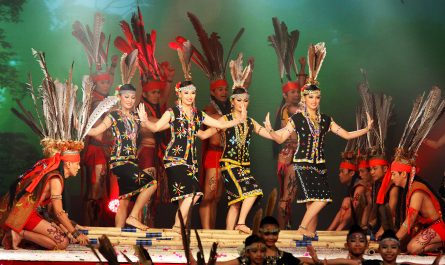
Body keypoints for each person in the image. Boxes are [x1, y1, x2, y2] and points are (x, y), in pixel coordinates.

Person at [265, 43, 373, 237]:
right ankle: (301, 229)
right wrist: (271, 130)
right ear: (304, 99)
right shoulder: (297, 118)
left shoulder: (326, 120)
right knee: (322, 198)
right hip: (303, 164)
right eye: (311, 97)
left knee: (311, 202)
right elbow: (281, 137)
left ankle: (307, 239)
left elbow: (346, 134)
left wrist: (366, 129)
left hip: (319, 165)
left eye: (317, 97)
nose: (314, 101)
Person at [139, 39, 247, 229]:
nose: (190, 96)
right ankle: (177, 227)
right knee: (194, 194)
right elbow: (156, 129)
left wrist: (236, 120)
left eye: (193, 93)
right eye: (186, 93)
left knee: (187, 198)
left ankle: (180, 231)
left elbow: (207, 133)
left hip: (190, 162)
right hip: (175, 159)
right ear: (179, 94)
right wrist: (144, 120)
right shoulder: (173, 112)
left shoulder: (198, 114)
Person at [1, 51, 90, 249]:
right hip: (26, 214)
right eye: (77, 164)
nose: (78, 168)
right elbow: (58, 212)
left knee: (59, 242)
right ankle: (18, 232)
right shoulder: (56, 179)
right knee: (63, 243)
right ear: (69, 163)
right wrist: (75, 233)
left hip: (30, 212)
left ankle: (20, 234)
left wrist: (71, 228)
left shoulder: (54, 174)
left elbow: (52, 213)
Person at [114, 7, 175, 227]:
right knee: (138, 193)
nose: (157, 95)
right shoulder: (141, 108)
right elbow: (149, 127)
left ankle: (140, 224)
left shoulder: (156, 105)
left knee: (145, 194)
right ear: (145, 93)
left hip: (152, 154)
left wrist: (167, 81)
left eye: (159, 92)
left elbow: (163, 99)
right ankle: (135, 225)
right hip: (143, 154)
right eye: (153, 92)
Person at [185, 12, 244, 229]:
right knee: (208, 195)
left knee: (218, 197)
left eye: (225, 88)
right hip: (212, 156)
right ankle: (206, 231)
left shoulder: (228, 107)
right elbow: (216, 122)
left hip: (225, 157)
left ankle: (212, 231)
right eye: (220, 89)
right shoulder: (209, 109)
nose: (224, 91)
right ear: (213, 91)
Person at [377, 87, 445, 254]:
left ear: (403, 173)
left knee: (412, 247)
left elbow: (410, 220)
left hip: (439, 227)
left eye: (394, 173)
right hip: (427, 228)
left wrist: (391, 243)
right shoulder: (410, 188)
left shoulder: (416, 192)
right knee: (408, 247)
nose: (391, 177)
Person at [87, 83, 158, 231]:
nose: (130, 100)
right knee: (152, 184)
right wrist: (81, 127)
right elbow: (96, 131)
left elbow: (154, 127)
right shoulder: (114, 116)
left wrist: (146, 121)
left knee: (124, 200)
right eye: (126, 97)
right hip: (119, 162)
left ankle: (119, 236)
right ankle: (132, 217)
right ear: (119, 97)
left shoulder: (136, 117)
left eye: (133, 97)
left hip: (132, 163)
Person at [72, 13, 118, 226]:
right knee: (95, 190)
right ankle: (90, 226)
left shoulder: (109, 100)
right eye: (102, 83)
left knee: (104, 192)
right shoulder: (92, 102)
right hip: (96, 150)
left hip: (107, 151)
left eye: (108, 82)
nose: (106, 85)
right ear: (95, 84)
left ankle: (99, 226)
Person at [268, 18, 306, 229]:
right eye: (293, 92)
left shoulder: (290, 106)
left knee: (290, 194)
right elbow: (303, 108)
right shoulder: (288, 109)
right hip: (290, 156)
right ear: (286, 94)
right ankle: (282, 229)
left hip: (292, 155)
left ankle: (286, 225)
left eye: (297, 92)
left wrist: (301, 68)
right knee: (288, 194)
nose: (297, 94)